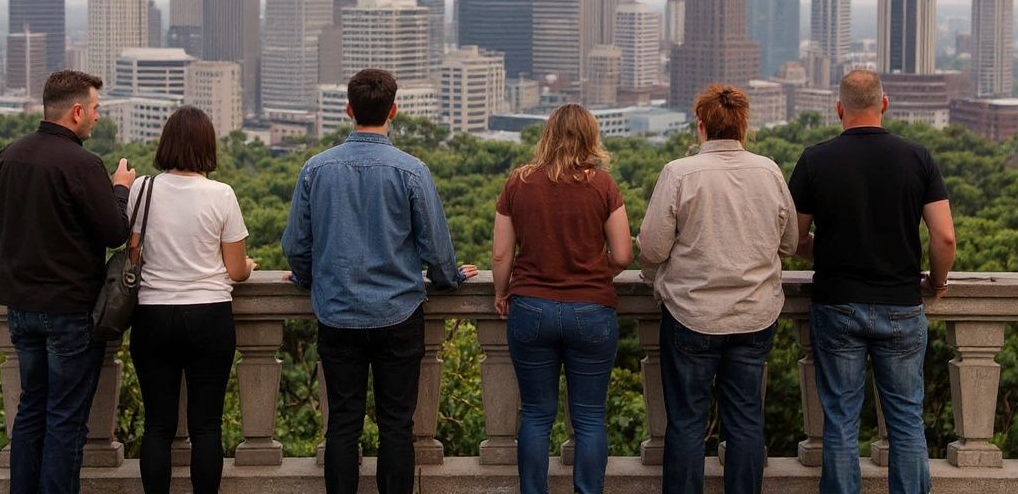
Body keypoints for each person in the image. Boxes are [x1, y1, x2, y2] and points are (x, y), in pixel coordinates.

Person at [281, 68, 478, 494]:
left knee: (342, 425)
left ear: (349, 110)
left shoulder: (315, 169)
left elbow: (296, 243)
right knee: (396, 426)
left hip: (337, 314)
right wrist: (451, 279)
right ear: (394, 111)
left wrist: (307, 277)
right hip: (398, 314)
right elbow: (438, 251)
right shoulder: (411, 171)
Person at [789, 70, 956, 494]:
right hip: (901, 303)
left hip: (838, 302)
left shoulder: (815, 159)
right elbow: (945, 236)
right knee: (905, 421)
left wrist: (824, 252)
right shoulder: (917, 157)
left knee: (841, 420)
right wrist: (936, 281)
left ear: (839, 109)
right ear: (884, 104)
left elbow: (791, 239)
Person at [637, 84, 799, 494]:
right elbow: (791, 243)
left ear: (701, 126)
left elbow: (653, 248)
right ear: (744, 125)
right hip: (754, 314)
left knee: (687, 423)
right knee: (746, 422)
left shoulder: (679, 173)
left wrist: (654, 276)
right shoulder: (769, 171)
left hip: (691, 315)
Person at [0, 70, 136, 494]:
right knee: (65, 419)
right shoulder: (84, 165)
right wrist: (121, 189)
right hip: (69, 309)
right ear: (77, 111)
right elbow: (114, 232)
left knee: (31, 409)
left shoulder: (7, 156)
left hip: (20, 307)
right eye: (96, 109)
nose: (98, 118)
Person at [492, 103, 633, 494]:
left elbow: (502, 254)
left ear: (548, 134)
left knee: (536, 416)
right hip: (591, 310)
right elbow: (623, 254)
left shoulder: (518, 182)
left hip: (531, 307)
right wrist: (590, 273)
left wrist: (502, 292)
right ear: (590, 138)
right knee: (588, 418)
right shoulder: (602, 185)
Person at [128, 106, 255, 494]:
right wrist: (248, 264)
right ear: (208, 147)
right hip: (209, 316)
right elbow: (235, 271)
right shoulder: (222, 195)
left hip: (152, 314)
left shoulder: (142, 189)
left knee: (157, 425)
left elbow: (134, 257)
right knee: (206, 426)